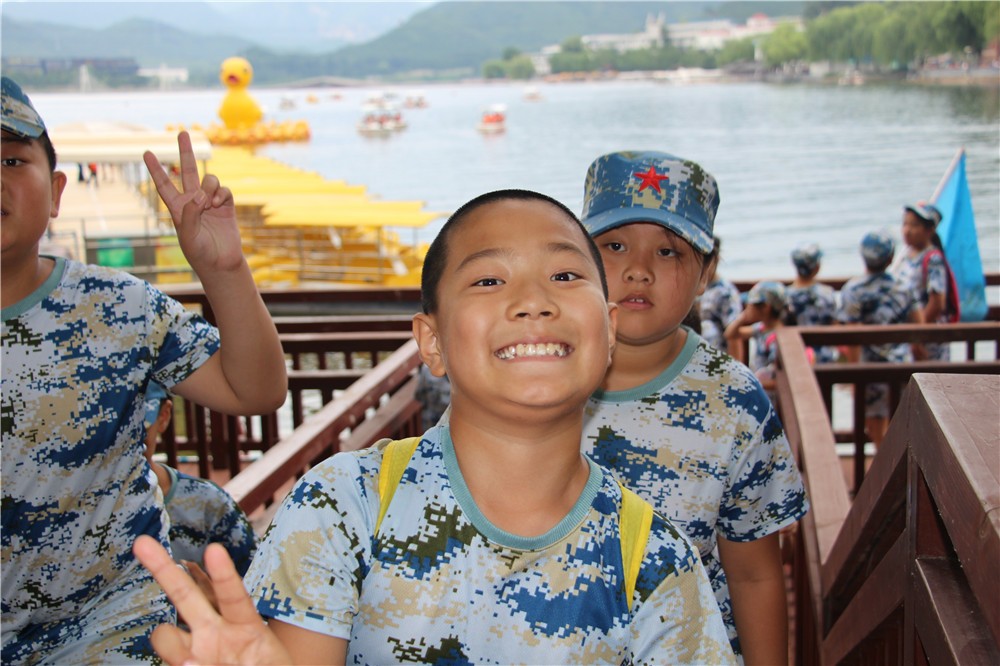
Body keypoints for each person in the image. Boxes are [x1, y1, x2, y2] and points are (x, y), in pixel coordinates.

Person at [134, 188, 737, 665]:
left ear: (608, 331)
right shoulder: (345, 507)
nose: (534, 301)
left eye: (564, 276)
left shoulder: (653, 559)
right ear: (432, 342)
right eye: (488, 280)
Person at [1, 76, 286, 664]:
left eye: (11, 159)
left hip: (112, 626)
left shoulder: (120, 308)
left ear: (56, 192)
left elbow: (255, 391)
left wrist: (225, 270)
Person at [578, 150, 808, 664]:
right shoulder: (533, 377)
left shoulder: (735, 401)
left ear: (706, 272)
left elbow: (755, 574)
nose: (639, 270)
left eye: (668, 252)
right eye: (614, 245)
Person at [142, 382, 258, 578]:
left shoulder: (208, 503)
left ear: (163, 416)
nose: (124, 440)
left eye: (140, 427)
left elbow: (258, 581)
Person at [837, 230, 923, 446]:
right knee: (902, 422)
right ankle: (898, 463)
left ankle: (882, 459)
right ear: (891, 258)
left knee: (876, 425)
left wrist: (854, 372)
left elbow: (853, 338)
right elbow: (920, 327)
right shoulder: (904, 286)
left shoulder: (853, 290)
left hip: (870, 369)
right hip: (902, 365)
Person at [893, 201, 953, 361]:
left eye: (914, 225)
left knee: (930, 375)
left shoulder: (933, 259)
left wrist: (918, 334)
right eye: (905, 224)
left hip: (926, 337)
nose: (907, 230)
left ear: (929, 230)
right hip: (909, 334)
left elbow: (937, 303)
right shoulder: (906, 255)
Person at [725, 280, 793, 403]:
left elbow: (780, 379)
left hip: (770, 400)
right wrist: (743, 317)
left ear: (766, 307)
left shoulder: (775, 339)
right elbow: (730, 334)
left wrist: (750, 383)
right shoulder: (761, 328)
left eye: (750, 305)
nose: (747, 307)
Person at [786, 242, 839, 363]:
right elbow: (834, 325)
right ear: (817, 267)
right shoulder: (827, 294)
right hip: (825, 357)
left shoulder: (786, 296)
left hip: (795, 356)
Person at [697, 236, 743, 353]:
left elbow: (734, 337)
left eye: (706, 260)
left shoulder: (724, 293)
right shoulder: (699, 288)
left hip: (718, 358)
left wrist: (734, 364)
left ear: (715, 259)